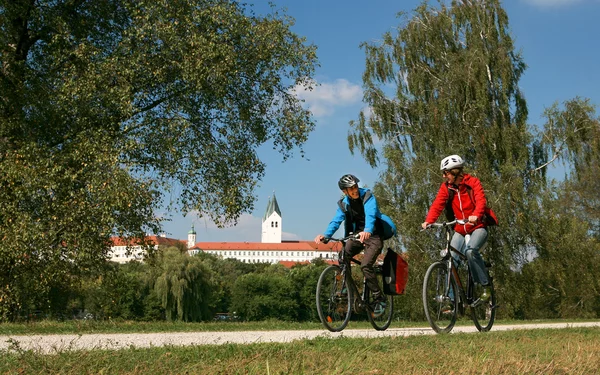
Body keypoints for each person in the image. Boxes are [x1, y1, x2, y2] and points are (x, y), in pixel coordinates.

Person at [315, 174, 396, 316]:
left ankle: (379, 298)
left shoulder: (368, 196)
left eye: (355, 187)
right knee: (343, 256)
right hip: (356, 235)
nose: (355, 190)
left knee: (365, 265)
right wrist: (326, 235)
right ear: (345, 191)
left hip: (374, 235)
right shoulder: (343, 204)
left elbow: (370, 215)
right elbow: (336, 221)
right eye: (351, 189)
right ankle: (346, 287)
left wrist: (368, 231)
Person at [421, 155, 491, 302]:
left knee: (471, 251)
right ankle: (453, 299)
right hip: (460, 228)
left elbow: (481, 201)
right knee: (450, 260)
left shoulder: (473, 183)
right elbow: (437, 204)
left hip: (478, 226)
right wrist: (428, 221)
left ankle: (485, 286)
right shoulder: (447, 187)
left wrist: (476, 215)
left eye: (445, 173)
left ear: (454, 172)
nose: (444, 176)